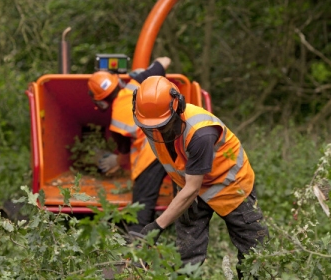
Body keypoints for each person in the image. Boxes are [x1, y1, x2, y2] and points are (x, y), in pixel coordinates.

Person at [131, 75, 268, 276]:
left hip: (228, 185)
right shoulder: (152, 121)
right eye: (150, 128)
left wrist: (157, 225)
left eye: (161, 126)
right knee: (186, 250)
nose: (156, 131)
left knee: (254, 250)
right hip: (188, 185)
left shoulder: (200, 133)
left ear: (177, 108)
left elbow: (192, 188)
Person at [87, 57, 171, 233]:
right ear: (118, 81)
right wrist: (147, 69)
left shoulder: (116, 123)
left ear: (101, 102)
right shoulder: (138, 82)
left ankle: (136, 242)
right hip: (176, 140)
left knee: (141, 203)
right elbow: (165, 60)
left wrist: (114, 161)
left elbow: (124, 155)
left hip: (153, 151)